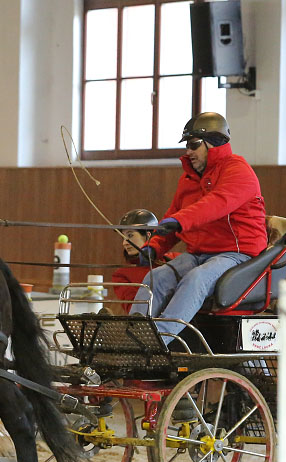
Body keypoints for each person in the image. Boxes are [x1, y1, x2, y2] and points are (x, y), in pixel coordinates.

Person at [130, 112, 268, 344]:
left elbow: (215, 204)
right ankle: (131, 337)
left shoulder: (238, 171)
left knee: (197, 279)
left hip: (238, 254)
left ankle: (158, 340)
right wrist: (154, 247)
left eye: (194, 145)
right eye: (187, 146)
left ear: (213, 144)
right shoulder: (188, 179)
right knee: (157, 276)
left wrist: (180, 221)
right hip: (199, 254)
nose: (188, 152)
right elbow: (172, 217)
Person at [110, 209, 160, 313]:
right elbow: (135, 310)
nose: (125, 243)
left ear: (148, 235)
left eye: (130, 235)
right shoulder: (121, 274)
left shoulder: (172, 260)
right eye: (123, 237)